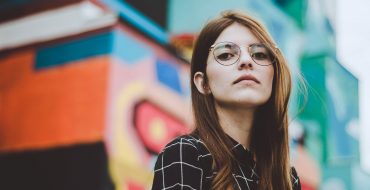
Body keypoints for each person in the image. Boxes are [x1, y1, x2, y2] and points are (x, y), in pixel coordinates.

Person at [152, 10, 301, 190]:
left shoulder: (287, 180)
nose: (246, 61)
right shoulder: (187, 154)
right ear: (203, 83)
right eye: (226, 54)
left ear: (273, 76)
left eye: (260, 54)